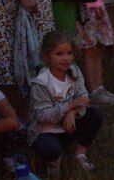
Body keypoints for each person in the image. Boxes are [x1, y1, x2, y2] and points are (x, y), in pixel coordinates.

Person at [26, 30, 101, 170]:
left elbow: (84, 97)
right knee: (51, 149)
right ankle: (53, 160)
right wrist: (70, 105)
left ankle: (79, 153)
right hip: (45, 131)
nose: (66, 58)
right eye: (59, 54)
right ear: (46, 57)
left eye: (69, 53)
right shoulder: (41, 82)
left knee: (95, 113)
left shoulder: (74, 71)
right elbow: (42, 115)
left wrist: (72, 112)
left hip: (68, 126)